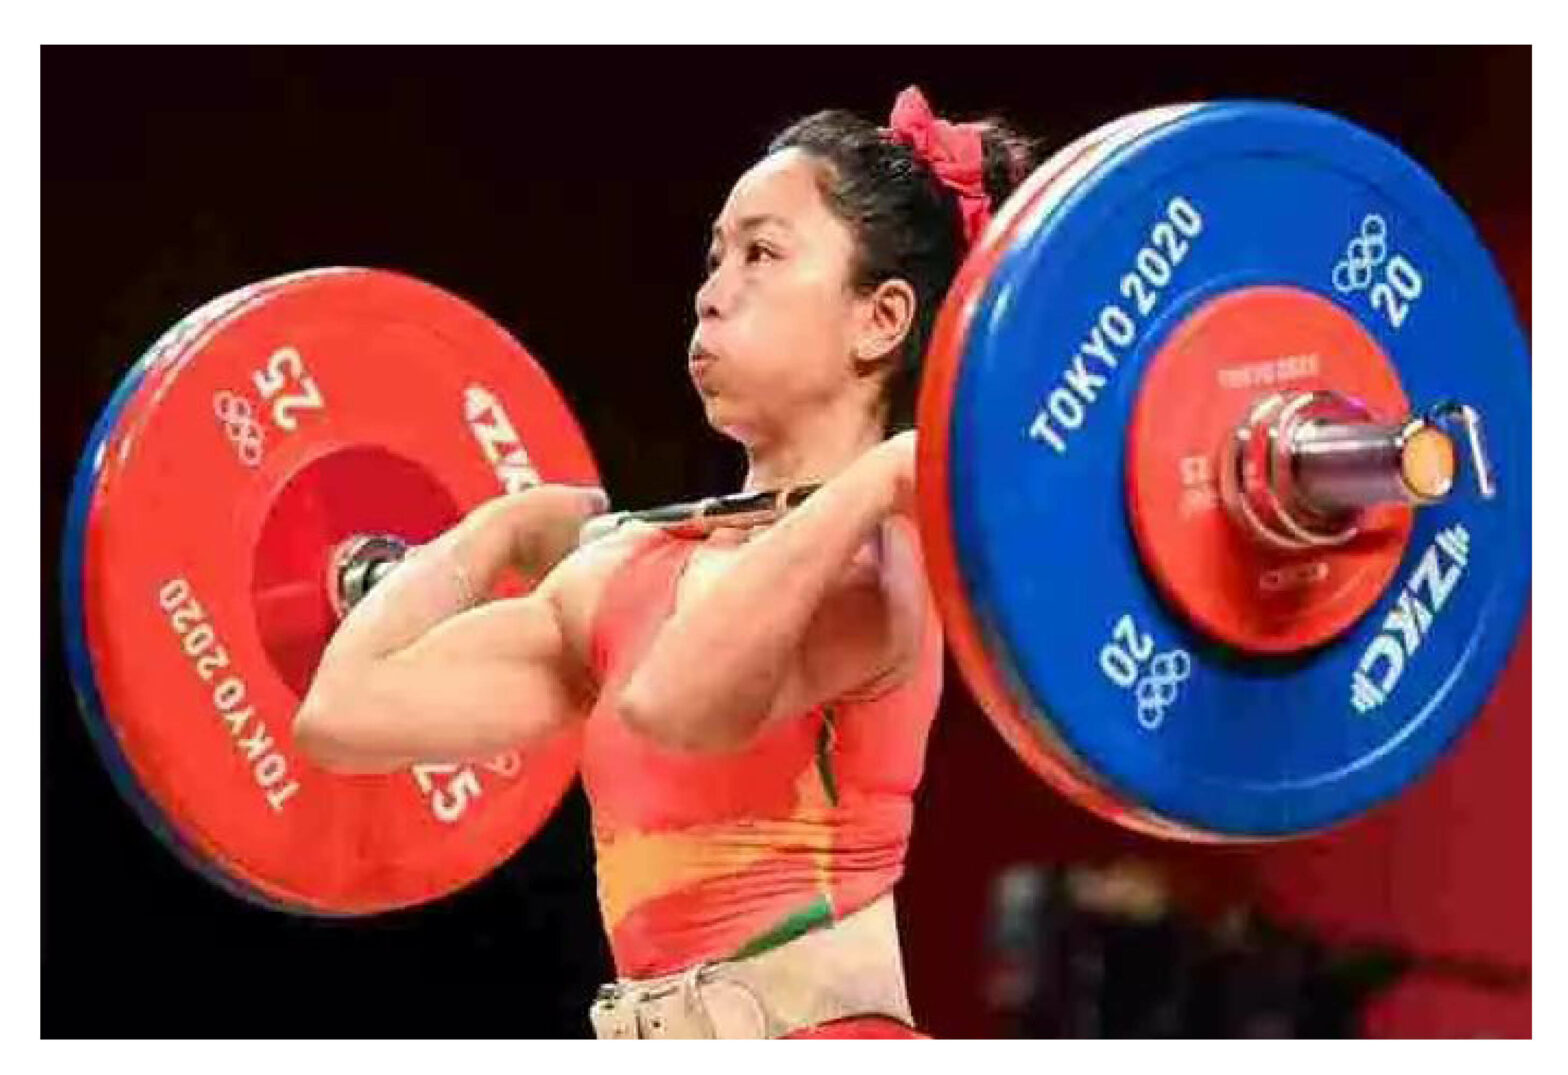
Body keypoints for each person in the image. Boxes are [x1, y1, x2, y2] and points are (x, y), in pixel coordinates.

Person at [294, 85, 1042, 1039]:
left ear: (879, 318)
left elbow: (673, 703)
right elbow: (342, 711)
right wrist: (497, 532)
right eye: (715, 256)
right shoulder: (633, 572)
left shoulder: (876, 571)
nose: (712, 290)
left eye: (762, 254)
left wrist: (878, 481)